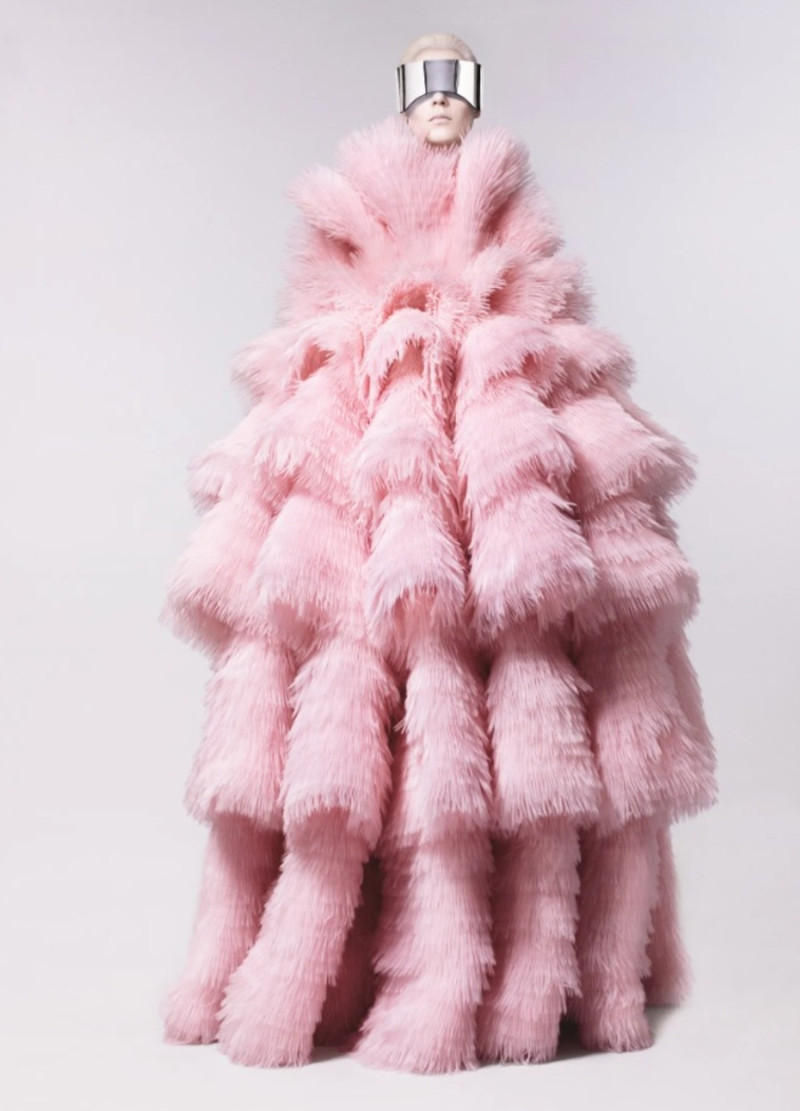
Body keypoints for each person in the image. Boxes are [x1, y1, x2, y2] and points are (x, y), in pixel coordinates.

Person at [159, 31, 717, 1073]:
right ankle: (358, 957)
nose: (441, 104)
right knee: (354, 674)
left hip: (488, 442)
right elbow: (318, 312)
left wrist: (496, 359)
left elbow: (541, 296)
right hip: (371, 444)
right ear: (404, 97)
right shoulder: (351, 202)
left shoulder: (507, 203)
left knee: (517, 663)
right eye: (426, 87)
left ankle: (522, 965)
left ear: (473, 100)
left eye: (455, 87)